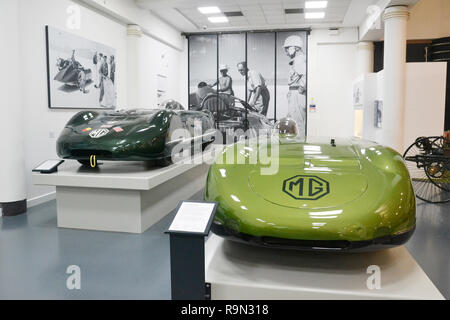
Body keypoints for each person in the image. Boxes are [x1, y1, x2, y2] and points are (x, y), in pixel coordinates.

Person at [284, 35, 307, 137]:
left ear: (296, 47)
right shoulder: (298, 59)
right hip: (294, 92)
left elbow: (305, 74)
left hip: (297, 93)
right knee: (294, 120)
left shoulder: (299, 60)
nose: (286, 52)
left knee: (298, 122)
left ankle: (299, 145)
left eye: (287, 48)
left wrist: (301, 88)